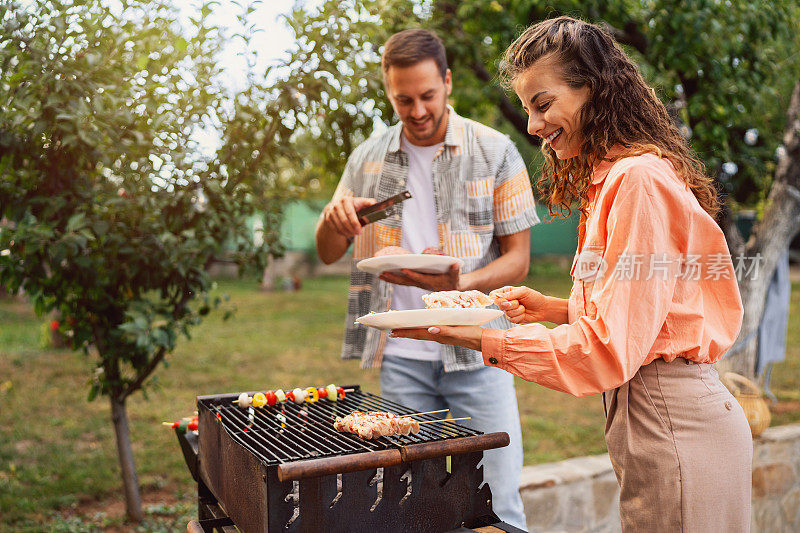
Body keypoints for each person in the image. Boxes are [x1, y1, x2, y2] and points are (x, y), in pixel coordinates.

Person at [392, 17, 752, 532]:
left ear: (594, 90)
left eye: (543, 104)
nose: (534, 126)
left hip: (676, 425)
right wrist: (556, 310)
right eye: (527, 109)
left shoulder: (636, 183)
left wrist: (486, 339)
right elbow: (653, 315)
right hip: (662, 417)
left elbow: (606, 352)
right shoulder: (613, 180)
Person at [315, 29, 539, 530]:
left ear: (448, 82)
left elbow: (518, 260)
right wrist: (333, 221)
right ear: (389, 91)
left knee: (497, 503)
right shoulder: (366, 158)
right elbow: (329, 252)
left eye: (427, 96)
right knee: (401, 508)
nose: (416, 110)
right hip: (401, 360)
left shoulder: (495, 149)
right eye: (403, 100)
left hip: (479, 353)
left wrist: (461, 289)